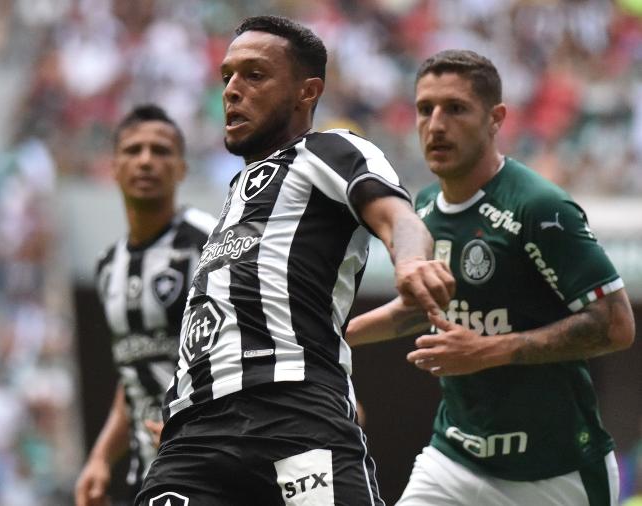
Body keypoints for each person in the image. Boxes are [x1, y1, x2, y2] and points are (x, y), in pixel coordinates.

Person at [135, 16, 454, 506]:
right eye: (227, 77)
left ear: (307, 91)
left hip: (293, 415)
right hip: (192, 437)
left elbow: (399, 217)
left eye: (254, 75)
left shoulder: (329, 151)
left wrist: (410, 262)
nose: (232, 91)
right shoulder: (235, 193)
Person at [346, 49, 636, 506]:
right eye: (426, 109)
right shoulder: (421, 208)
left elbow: (616, 324)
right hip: (454, 459)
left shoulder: (538, 207)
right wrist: (330, 337)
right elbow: (421, 308)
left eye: (456, 108)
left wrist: (487, 351)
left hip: (555, 471)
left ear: (496, 118)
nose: (436, 124)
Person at [75, 104, 217, 506]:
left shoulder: (210, 243)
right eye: (133, 150)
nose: (146, 161)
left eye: (161, 151)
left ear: (182, 169)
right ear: (114, 166)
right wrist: (101, 457)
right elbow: (134, 373)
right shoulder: (108, 267)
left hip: (214, 468)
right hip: (149, 474)